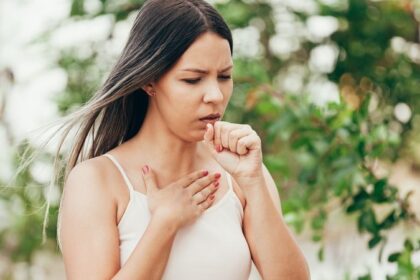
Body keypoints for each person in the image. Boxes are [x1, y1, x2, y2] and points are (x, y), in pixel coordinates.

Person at [57, 0, 310, 279]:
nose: (215, 95)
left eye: (224, 76)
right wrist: (164, 224)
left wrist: (253, 182)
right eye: (193, 80)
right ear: (149, 80)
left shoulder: (241, 175)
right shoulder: (97, 181)